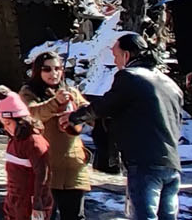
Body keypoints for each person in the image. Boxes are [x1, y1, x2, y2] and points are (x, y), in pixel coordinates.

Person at [69, 33, 183, 220]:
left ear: (127, 55)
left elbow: (105, 106)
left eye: (115, 56)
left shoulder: (130, 77)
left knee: (144, 216)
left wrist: (74, 117)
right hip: (171, 162)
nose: (115, 62)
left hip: (144, 162)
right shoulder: (170, 84)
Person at [20, 52, 90, 220]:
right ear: (37, 71)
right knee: (45, 215)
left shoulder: (70, 91)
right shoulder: (28, 92)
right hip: (45, 169)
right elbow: (32, 114)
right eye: (47, 69)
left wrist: (78, 114)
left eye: (57, 68)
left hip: (74, 167)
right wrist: (55, 103)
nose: (53, 73)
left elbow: (90, 113)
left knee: (76, 216)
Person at [0, 86, 53, 220]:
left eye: (8, 123)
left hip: (30, 202)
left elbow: (43, 175)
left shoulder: (35, 142)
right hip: (15, 201)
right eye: (3, 124)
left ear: (21, 121)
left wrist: (38, 204)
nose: (6, 128)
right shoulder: (14, 140)